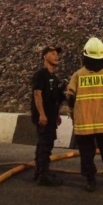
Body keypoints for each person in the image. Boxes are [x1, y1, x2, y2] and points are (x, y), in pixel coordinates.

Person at [67, 37, 103, 192]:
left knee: (86, 154)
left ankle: (90, 180)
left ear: (85, 55)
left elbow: (70, 98)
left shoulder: (78, 75)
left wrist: (74, 116)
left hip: (83, 123)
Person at [31, 45, 66, 186]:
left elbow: (56, 99)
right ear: (45, 56)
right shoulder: (41, 74)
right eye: (52, 53)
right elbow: (37, 94)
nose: (56, 56)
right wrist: (42, 114)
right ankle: (43, 175)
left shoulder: (55, 78)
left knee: (45, 144)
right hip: (44, 116)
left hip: (51, 116)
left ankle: (40, 171)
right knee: (45, 145)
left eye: (57, 54)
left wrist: (56, 114)